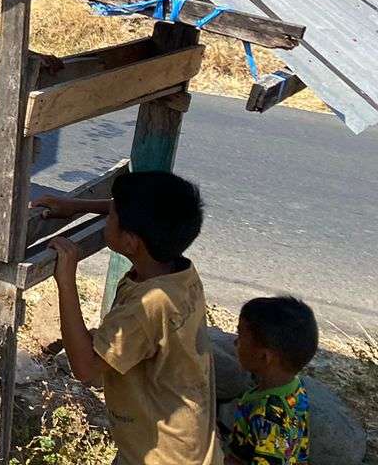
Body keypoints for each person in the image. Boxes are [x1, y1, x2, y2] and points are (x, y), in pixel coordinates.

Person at [43, 171, 224, 465]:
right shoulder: (180, 274)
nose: (108, 214)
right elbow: (133, 215)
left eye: (112, 214)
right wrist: (78, 205)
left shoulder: (148, 307)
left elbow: (86, 367)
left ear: (130, 242)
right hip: (187, 445)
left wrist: (66, 281)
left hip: (163, 457)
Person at [225, 296, 317, 465]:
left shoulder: (271, 417)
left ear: (264, 356)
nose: (235, 342)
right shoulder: (295, 388)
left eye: (240, 335)